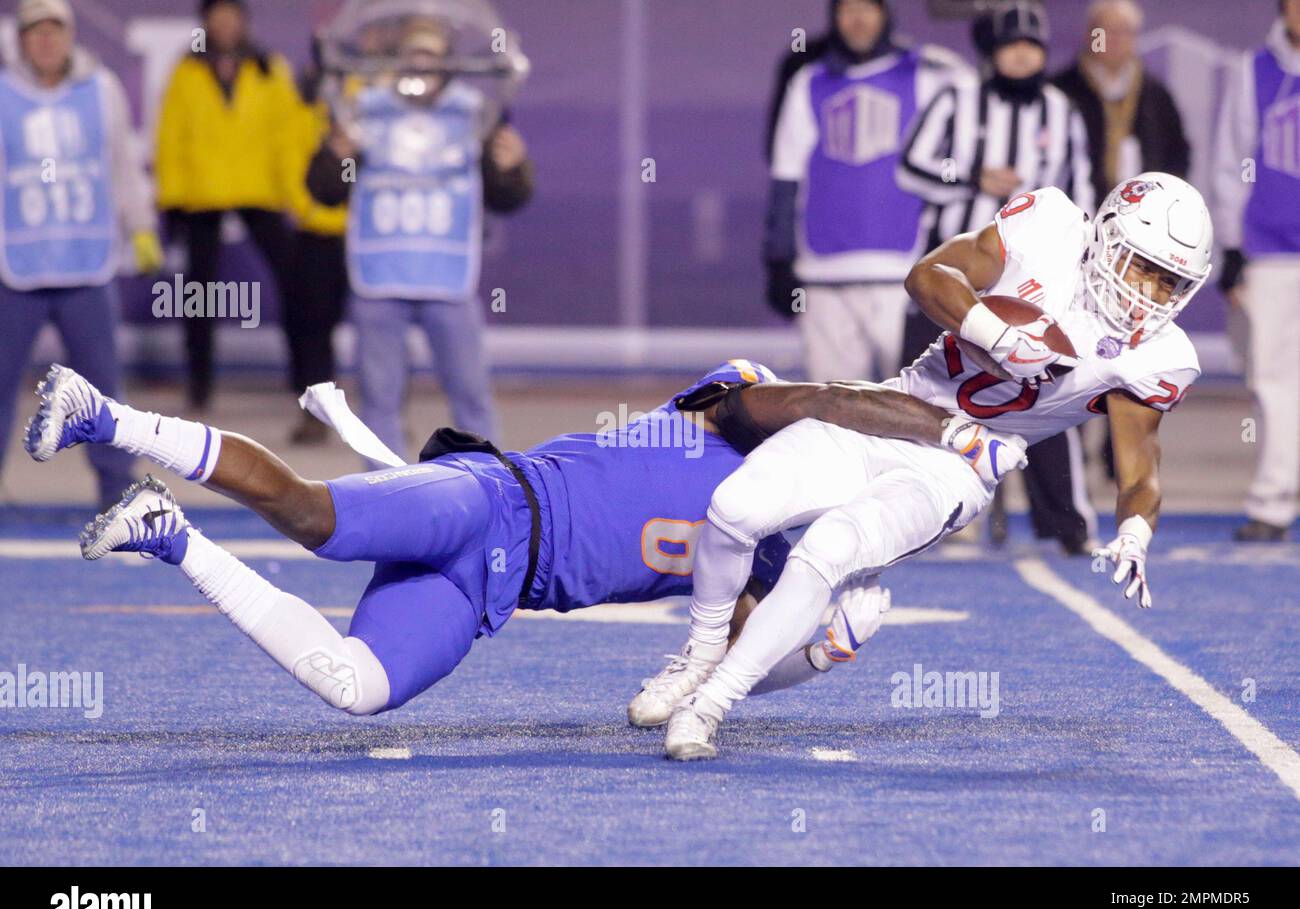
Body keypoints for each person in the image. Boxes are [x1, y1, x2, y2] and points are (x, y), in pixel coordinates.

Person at [24, 360, 1024, 717]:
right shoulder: (731, 409)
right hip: (491, 500)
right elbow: (806, 396)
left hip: (488, 596)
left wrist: (816, 654)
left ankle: (165, 532)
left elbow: (732, 664)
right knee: (315, 518)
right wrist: (938, 428)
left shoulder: (760, 547)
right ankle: (102, 412)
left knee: (357, 686)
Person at [650, 172, 1213, 760]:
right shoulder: (1048, 225)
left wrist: (1134, 533)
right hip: (896, 411)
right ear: (1105, 236)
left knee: (830, 548)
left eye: (1170, 281)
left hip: (957, 471)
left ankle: (708, 706)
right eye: (1141, 266)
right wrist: (993, 332)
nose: (1149, 292)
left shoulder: (1160, 355)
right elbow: (928, 275)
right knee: (736, 507)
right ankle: (700, 654)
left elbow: (1140, 471)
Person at [896, 0, 1097, 554]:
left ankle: (1066, 522)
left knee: (1049, 398)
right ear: (989, 52)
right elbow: (910, 164)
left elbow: (1082, 196)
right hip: (953, 273)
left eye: (1031, 46)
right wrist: (970, 177)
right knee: (929, 393)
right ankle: (927, 514)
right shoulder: (957, 98)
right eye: (1011, 46)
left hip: (1033, 285)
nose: (1021, 56)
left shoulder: (1061, 110)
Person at [307, 17, 532, 460]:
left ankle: (488, 495)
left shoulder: (470, 113)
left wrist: (514, 167)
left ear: (448, 63)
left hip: (447, 281)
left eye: (432, 57)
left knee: (471, 401)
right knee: (379, 406)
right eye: (413, 56)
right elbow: (325, 191)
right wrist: (336, 156)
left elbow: (506, 196)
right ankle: (388, 497)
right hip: (379, 278)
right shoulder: (366, 110)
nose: (421, 68)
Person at [0, 0, 160, 508]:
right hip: (15, 268)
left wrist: (141, 225)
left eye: (54, 31)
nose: (46, 41)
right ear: (20, 40)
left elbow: (122, 164)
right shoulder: (3, 95)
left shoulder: (101, 90)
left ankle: (117, 491)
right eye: (35, 32)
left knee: (101, 390)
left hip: (86, 262)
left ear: (69, 36)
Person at [764, 0, 969, 383]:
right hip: (824, 279)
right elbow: (786, 176)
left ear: (885, 13)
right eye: (847, 9)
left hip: (907, 278)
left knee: (919, 405)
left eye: (867, 8)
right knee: (831, 412)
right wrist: (778, 260)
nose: (857, 20)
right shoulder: (809, 81)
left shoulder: (929, 73)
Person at [155, 0, 299, 409]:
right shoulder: (187, 71)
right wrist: (172, 199)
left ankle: (305, 381)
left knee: (295, 284)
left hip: (260, 190)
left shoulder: (269, 67)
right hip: (204, 193)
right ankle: (199, 385)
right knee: (200, 294)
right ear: (205, 23)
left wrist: (295, 196)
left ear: (243, 21)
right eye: (216, 17)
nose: (224, 25)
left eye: (231, 16)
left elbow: (286, 136)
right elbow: (171, 137)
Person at [1215, 0, 1300, 542]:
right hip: (1272, 252)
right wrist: (1231, 249)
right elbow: (1230, 161)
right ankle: (1273, 502)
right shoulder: (1254, 71)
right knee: (1273, 380)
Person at [1051, 0, 1190, 213]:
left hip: (1143, 216)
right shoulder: (1060, 92)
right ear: (1090, 35)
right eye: (1106, 31)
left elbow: (1176, 153)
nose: (1115, 39)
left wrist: (1163, 202)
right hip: (1073, 214)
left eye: (1124, 31)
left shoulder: (1156, 95)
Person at [281, 35, 348, 446]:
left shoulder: (368, 99)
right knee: (312, 325)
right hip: (316, 233)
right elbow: (287, 157)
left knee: (389, 324)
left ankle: (387, 407)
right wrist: (307, 209)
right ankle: (315, 412)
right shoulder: (302, 104)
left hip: (364, 234)